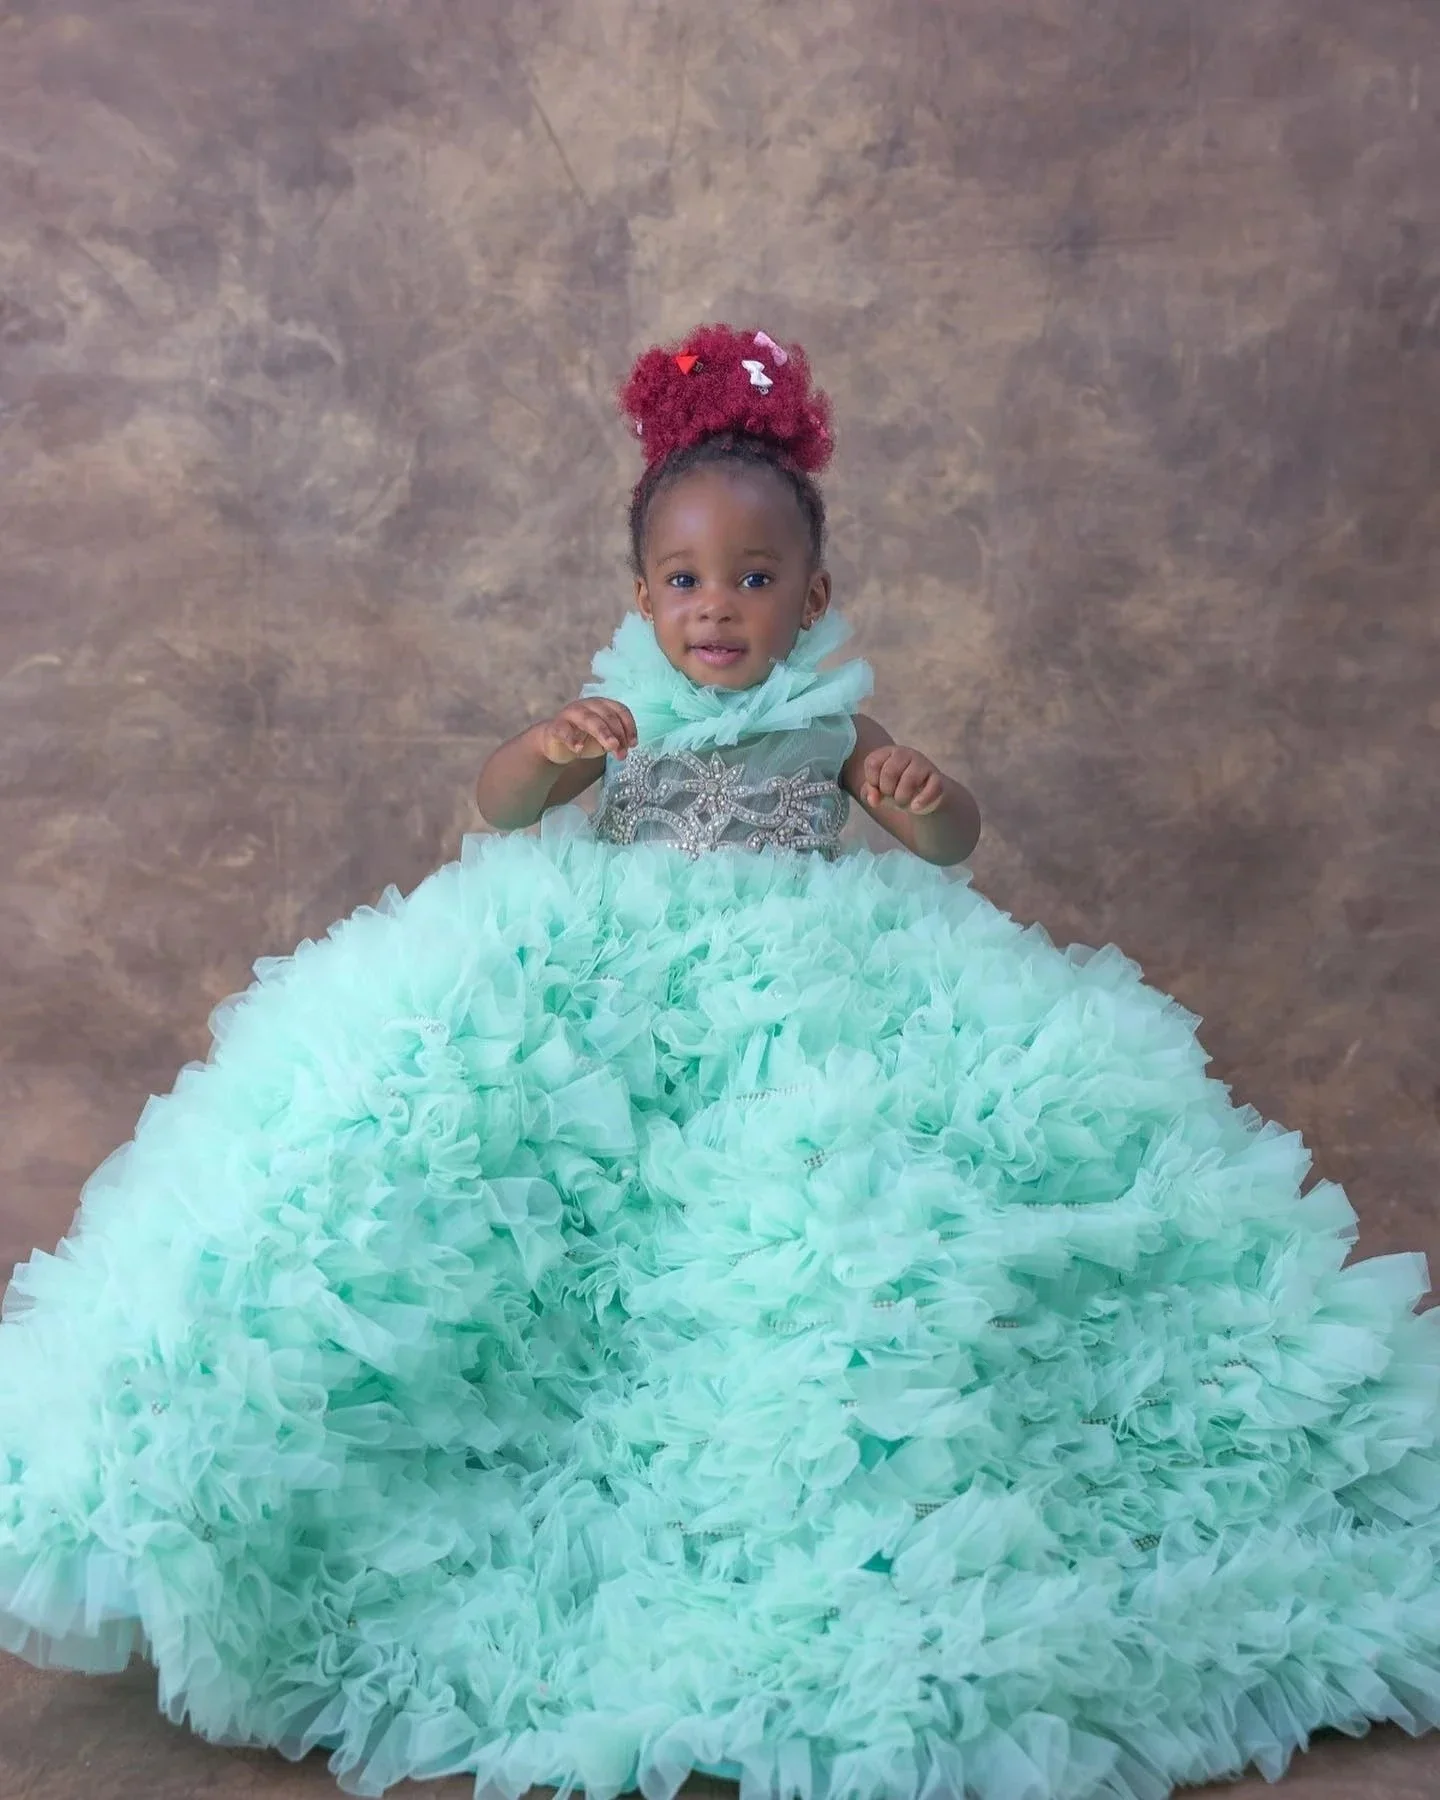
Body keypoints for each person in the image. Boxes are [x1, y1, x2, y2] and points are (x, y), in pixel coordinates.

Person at [1, 323, 1437, 1800]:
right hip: (621, 989)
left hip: (815, 1003)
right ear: (642, 597)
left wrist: (923, 797)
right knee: (467, 1168)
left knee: (817, 1220)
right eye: (686, 581)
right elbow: (497, 807)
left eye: (754, 581)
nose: (718, 609)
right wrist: (549, 750)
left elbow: (949, 843)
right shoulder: (625, 712)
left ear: (812, 598)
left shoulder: (829, 723)